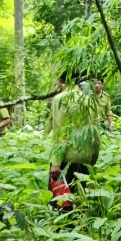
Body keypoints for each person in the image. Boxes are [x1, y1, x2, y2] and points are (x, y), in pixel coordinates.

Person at [47, 77, 101, 209]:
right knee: (79, 203)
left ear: (60, 80)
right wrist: (93, 159)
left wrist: (55, 163)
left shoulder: (60, 99)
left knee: (62, 205)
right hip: (85, 157)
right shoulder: (90, 99)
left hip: (66, 158)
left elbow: (59, 131)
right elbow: (96, 132)